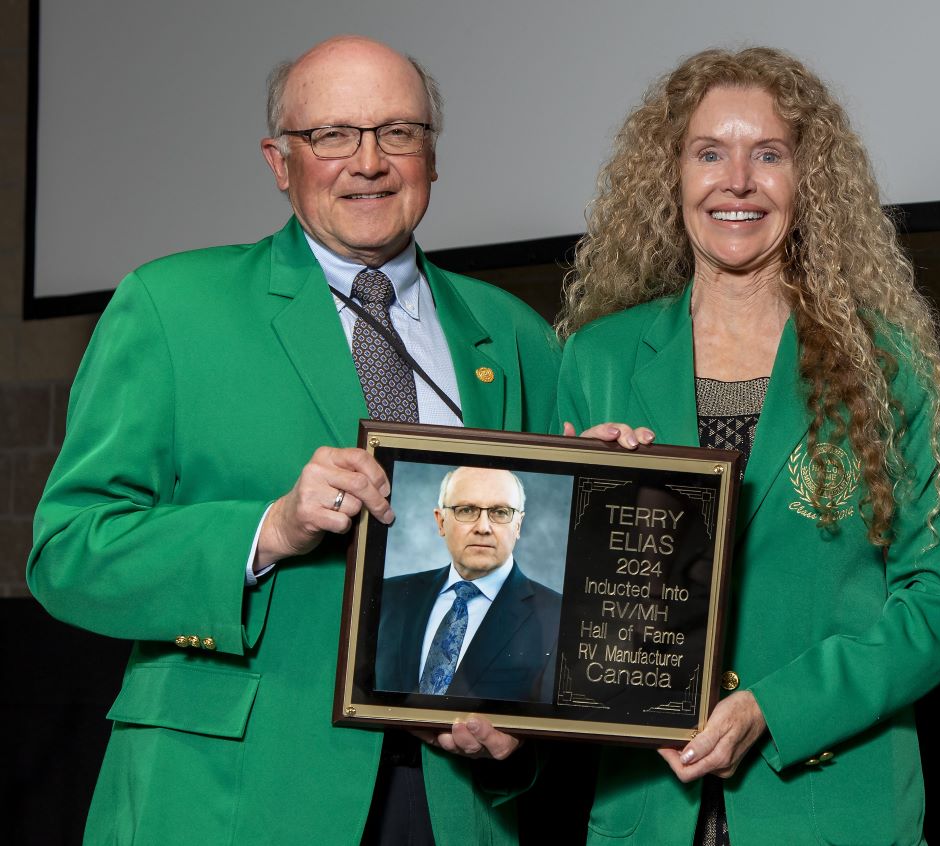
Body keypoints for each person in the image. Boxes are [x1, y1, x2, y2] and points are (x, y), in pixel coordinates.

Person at [27, 35, 561, 846]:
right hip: (233, 796)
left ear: (433, 157)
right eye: (333, 135)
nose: (368, 162)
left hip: (457, 800)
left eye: (398, 133)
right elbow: (67, 554)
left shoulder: (514, 334)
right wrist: (266, 530)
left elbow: (550, 572)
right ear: (281, 162)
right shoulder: (173, 307)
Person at [556, 47, 940, 845]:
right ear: (672, 176)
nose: (738, 181)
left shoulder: (885, 366)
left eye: (770, 154)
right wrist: (581, 513)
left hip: (833, 805)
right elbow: (552, 609)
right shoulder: (599, 361)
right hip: (648, 809)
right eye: (709, 152)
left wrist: (774, 707)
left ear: (808, 180)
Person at [376, 466, 561, 702]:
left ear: (518, 525)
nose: (483, 528)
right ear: (441, 521)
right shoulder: (388, 595)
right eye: (466, 510)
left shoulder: (558, 617)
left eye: (500, 512)